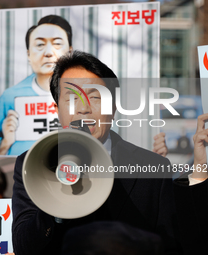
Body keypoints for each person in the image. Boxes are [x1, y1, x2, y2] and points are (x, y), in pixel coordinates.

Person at [11, 51, 208, 254]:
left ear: (113, 108)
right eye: (71, 98)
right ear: (56, 109)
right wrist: (53, 203)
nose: (83, 109)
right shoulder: (31, 163)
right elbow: (24, 247)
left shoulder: (151, 167)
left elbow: (173, 244)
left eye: (95, 97)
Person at [0, 15, 73, 155]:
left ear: (70, 51)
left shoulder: (84, 94)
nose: (48, 53)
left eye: (57, 44)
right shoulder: (11, 96)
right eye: (40, 45)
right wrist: (5, 143)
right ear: (28, 54)